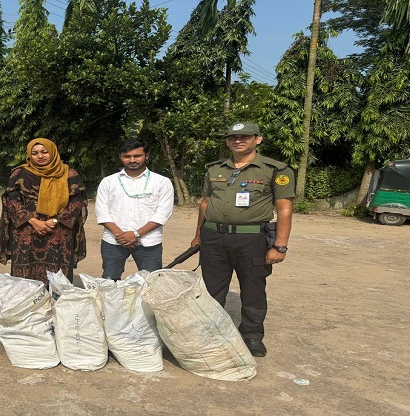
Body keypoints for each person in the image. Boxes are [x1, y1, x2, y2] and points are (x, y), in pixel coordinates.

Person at [191, 121, 295, 357]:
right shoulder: (216, 169)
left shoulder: (275, 170)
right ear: (228, 141)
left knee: (253, 288)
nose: (238, 141)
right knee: (212, 288)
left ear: (257, 139)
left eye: (245, 137)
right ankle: (210, 331)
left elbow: (284, 208)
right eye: (233, 138)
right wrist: (198, 235)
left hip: (251, 240)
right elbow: (205, 202)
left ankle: (252, 334)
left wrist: (280, 245)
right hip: (214, 237)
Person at [0, 138, 88, 284]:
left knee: (57, 274)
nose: (40, 156)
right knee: (25, 274)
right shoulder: (19, 173)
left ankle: (56, 303)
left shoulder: (69, 174)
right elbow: (11, 201)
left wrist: (55, 221)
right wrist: (32, 221)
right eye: (35, 153)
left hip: (59, 232)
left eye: (45, 152)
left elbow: (76, 203)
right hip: (26, 231)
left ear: (53, 152)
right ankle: (28, 303)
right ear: (29, 155)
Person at [95, 139, 174, 280]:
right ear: (121, 157)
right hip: (114, 241)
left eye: (137, 156)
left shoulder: (162, 182)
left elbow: (162, 214)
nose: (132, 160)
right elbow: (102, 212)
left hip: (149, 241)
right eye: (127, 156)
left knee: (151, 282)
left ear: (147, 156)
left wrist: (136, 234)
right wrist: (121, 235)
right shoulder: (108, 182)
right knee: (109, 280)